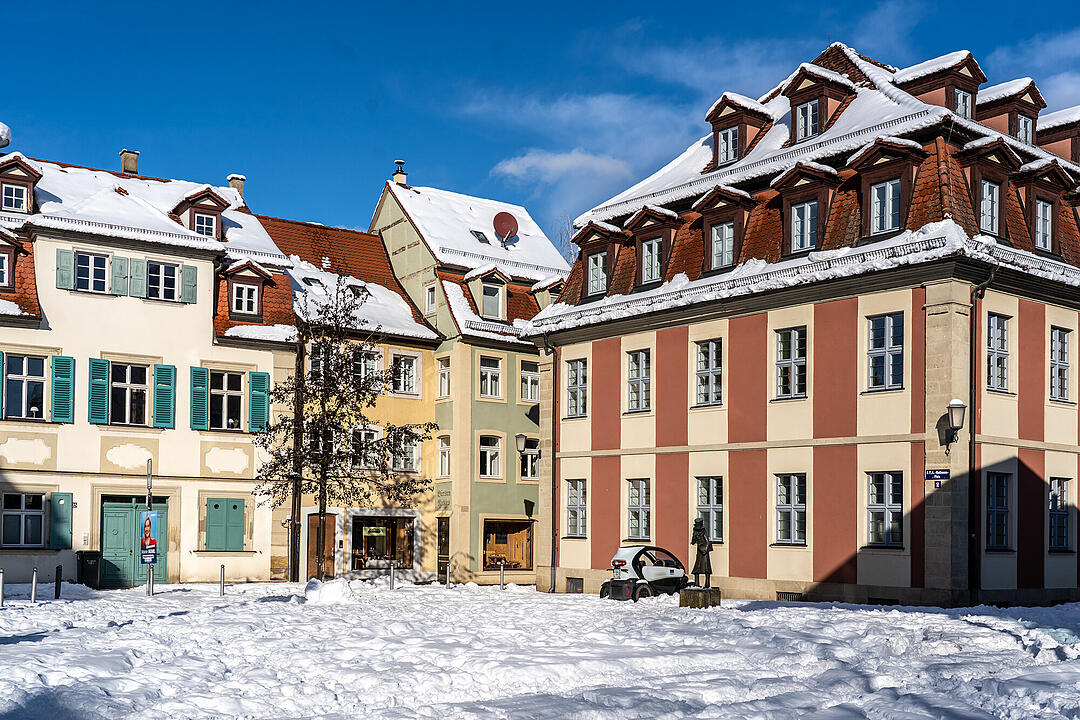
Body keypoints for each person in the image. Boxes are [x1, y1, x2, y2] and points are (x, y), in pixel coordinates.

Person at [691, 517, 713, 588]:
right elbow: (693, 542)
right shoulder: (695, 531)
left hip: (704, 551)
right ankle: (697, 583)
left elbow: (707, 541)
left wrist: (705, 549)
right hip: (699, 551)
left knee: (706, 567)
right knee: (697, 567)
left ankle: (707, 584)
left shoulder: (704, 531)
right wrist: (695, 537)